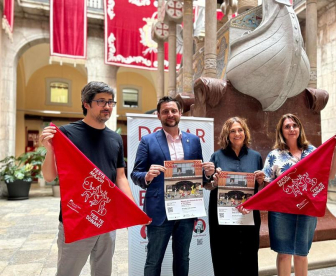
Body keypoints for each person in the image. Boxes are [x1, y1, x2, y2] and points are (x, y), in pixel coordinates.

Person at [40, 81, 135, 276]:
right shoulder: (67, 133)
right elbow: (49, 176)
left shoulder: (115, 138)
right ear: (86, 103)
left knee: (103, 272)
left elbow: (120, 176)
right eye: (101, 101)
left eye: (110, 102)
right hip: (76, 219)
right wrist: (49, 150)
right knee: (68, 272)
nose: (107, 106)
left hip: (106, 219)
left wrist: (131, 209)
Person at [130, 96, 215, 276]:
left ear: (180, 113)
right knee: (153, 260)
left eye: (173, 111)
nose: (170, 114)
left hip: (187, 209)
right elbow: (135, 174)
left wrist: (207, 174)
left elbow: (198, 175)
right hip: (160, 211)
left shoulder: (193, 140)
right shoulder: (148, 140)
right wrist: (147, 175)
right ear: (158, 115)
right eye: (165, 111)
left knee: (183, 258)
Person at [262, 113, 336, 276]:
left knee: (301, 254)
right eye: (287, 126)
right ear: (281, 131)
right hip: (281, 212)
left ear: (300, 128)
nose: (292, 129)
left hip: (306, 209)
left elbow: (330, 175)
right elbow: (267, 182)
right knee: (284, 254)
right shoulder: (274, 155)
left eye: (295, 125)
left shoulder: (312, 151)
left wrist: (335, 151)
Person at [206, 117, 264, 276]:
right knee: (223, 256)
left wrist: (260, 181)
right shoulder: (217, 156)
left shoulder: (256, 157)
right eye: (232, 131)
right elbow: (208, 185)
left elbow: (261, 188)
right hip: (222, 216)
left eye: (240, 130)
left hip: (248, 215)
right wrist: (215, 181)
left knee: (249, 255)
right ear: (227, 134)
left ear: (245, 133)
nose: (237, 134)